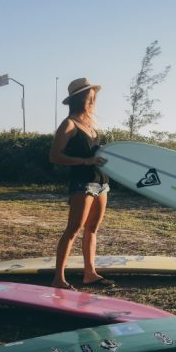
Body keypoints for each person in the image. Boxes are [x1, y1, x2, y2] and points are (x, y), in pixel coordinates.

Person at [49, 77, 113, 288]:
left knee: (92, 229)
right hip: (82, 184)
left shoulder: (91, 124)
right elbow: (55, 156)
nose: (92, 100)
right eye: (89, 96)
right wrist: (86, 160)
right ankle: (58, 278)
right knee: (73, 228)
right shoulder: (69, 124)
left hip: (101, 182)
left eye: (93, 97)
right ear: (79, 99)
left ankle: (90, 273)